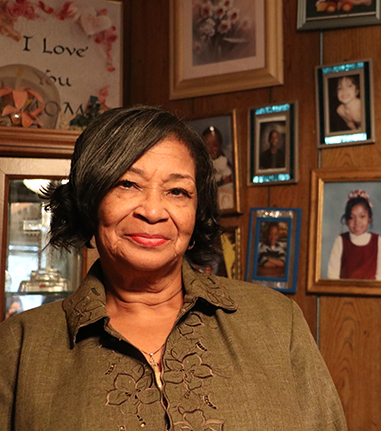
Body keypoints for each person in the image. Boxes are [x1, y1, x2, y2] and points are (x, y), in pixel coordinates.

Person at [0, 106, 346, 430]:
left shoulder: (276, 322)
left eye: (178, 191)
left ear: (197, 212)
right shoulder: (20, 346)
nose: (153, 211)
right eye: (127, 184)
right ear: (90, 200)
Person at [327, 190, 381, 280]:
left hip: (370, 292)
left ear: (369, 218)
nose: (357, 222)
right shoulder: (341, 240)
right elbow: (332, 274)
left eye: (362, 216)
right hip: (345, 292)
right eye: (352, 218)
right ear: (347, 221)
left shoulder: (377, 240)